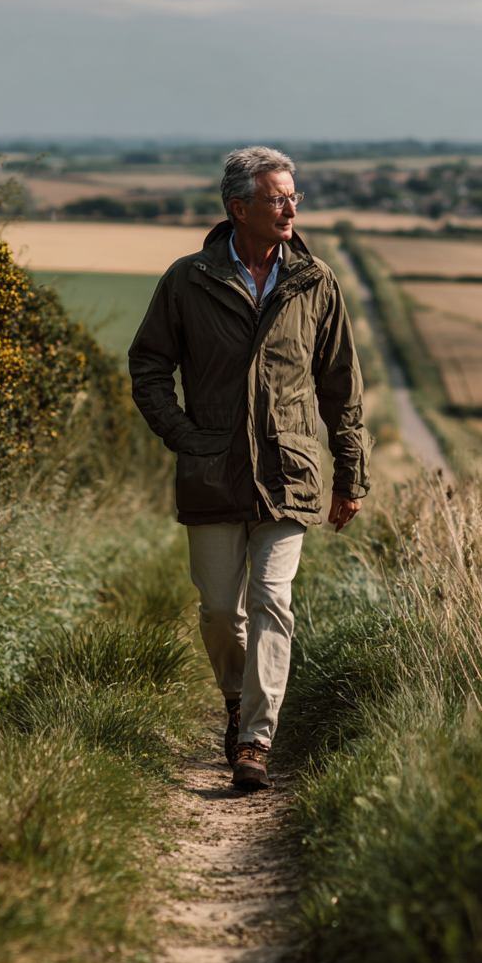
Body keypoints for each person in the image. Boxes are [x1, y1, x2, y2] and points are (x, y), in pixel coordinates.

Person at [128, 146, 371, 790]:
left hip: (289, 472)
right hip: (211, 471)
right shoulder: (188, 280)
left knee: (272, 599)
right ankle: (237, 701)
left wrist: (350, 474)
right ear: (239, 208)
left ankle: (255, 741)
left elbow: (341, 386)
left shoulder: (316, 282)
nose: (290, 208)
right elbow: (148, 366)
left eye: (294, 196)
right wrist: (185, 436)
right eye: (276, 198)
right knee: (218, 611)